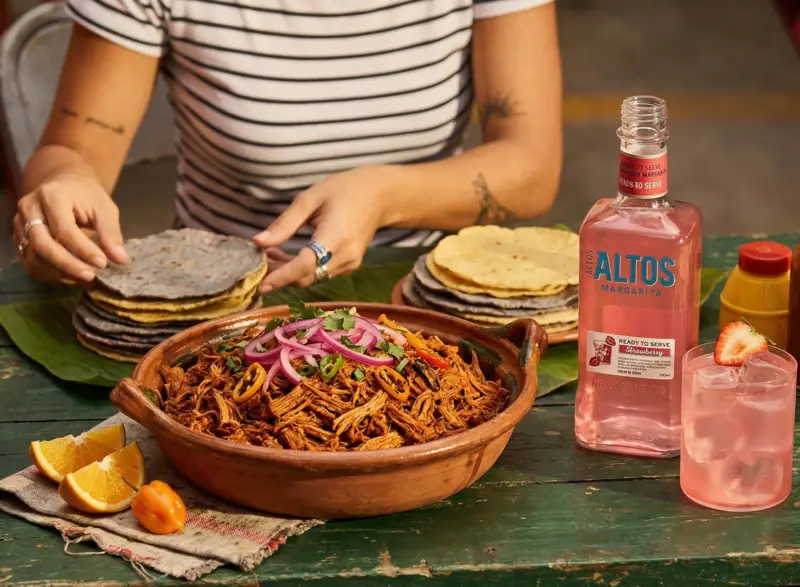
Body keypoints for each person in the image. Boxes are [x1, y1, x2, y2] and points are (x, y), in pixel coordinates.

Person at [12, 0, 562, 292]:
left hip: (427, 297)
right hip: (221, 305)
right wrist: (60, 189)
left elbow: (531, 165)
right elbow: (72, 151)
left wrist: (383, 194)